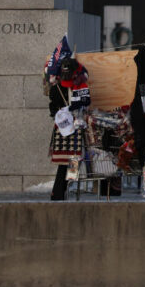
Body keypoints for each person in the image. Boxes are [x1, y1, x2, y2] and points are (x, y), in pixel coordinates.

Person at [48, 56, 91, 201]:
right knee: (73, 160)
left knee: (65, 162)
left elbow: (52, 108)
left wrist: (59, 113)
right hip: (74, 126)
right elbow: (85, 102)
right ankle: (62, 189)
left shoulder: (55, 88)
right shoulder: (79, 85)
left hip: (62, 127)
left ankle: (60, 191)